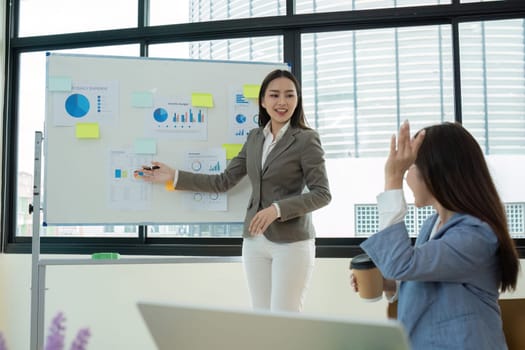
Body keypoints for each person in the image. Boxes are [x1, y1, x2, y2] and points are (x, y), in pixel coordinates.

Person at [136, 69, 331, 312]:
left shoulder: (306, 139)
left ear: (297, 100)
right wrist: (174, 176)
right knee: (260, 317)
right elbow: (224, 181)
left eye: (290, 95)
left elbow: (322, 193)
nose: (282, 102)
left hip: (291, 243)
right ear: (262, 100)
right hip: (254, 241)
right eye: (274, 95)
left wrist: (277, 210)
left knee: (285, 320)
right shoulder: (254, 138)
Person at [351, 121, 520, 349]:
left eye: (410, 168)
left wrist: (393, 179)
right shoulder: (432, 225)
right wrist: (387, 284)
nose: (406, 177)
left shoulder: (476, 235)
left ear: (433, 173)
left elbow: (401, 264)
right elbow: (427, 281)